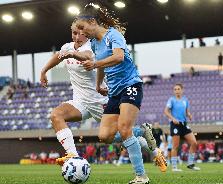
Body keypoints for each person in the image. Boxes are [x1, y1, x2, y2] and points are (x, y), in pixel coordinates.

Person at [40, 21, 164, 172]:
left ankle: (149, 143)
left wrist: (73, 54)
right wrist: (43, 71)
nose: (77, 36)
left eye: (81, 33)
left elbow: (86, 56)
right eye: (74, 33)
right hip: (80, 102)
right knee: (56, 115)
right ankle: (72, 155)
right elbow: (58, 56)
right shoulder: (67, 47)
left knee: (118, 136)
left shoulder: (92, 46)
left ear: (86, 32)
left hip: (100, 101)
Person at [75, 4, 166, 184]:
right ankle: (142, 131)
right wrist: (98, 84)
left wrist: (94, 65)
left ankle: (141, 175)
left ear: (93, 22)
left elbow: (119, 57)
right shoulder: (94, 43)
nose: (82, 33)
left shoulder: (113, 35)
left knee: (124, 130)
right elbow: (101, 62)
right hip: (114, 92)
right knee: (105, 136)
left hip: (130, 85)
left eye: (83, 28)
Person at [164, 83, 200, 171]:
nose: (176, 91)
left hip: (184, 124)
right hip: (175, 124)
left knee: (194, 143)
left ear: (182, 90)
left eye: (178, 89)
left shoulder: (185, 100)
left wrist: (189, 115)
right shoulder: (171, 100)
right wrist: (173, 119)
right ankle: (174, 167)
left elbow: (187, 111)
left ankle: (190, 164)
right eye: (175, 89)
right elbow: (166, 111)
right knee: (175, 146)